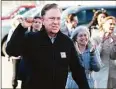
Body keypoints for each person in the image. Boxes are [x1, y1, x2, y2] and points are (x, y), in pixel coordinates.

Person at [6, 3, 90, 89]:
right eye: (52, 18)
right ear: (43, 20)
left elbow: (77, 70)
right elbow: (11, 51)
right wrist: (21, 28)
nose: (56, 22)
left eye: (58, 18)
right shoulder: (30, 38)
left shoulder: (66, 42)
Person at [91, 16, 116, 88]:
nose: (112, 26)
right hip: (100, 73)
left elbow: (113, 56)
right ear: (103, 25)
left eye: (114, 24)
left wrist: (115, 44)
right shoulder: (95, 38)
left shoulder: (114, 37)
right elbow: (95, 55)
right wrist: (102, 42)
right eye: (110, 24)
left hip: (112, 74)